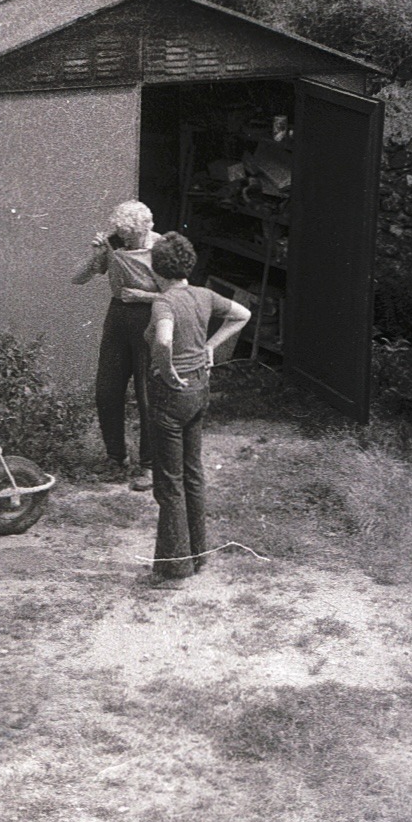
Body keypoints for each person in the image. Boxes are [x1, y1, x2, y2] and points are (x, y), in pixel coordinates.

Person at [143, 233, 250, 588]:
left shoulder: (164, 302)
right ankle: (198, 554)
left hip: (170, 396)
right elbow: (242, 315)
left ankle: (176, 566)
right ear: (188, 265)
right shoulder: (204, 295)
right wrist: (210, 348)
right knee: (192, 473)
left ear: (157, 269)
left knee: (169, 482)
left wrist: (167, 367)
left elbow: (162, 339)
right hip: (200, 390)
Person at [72, 200, 163, 491]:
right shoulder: (115, 246)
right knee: (107, 389)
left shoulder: (161, 249)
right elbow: (77, 279)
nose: (125, 240)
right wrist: (96, 256)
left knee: (147, 393)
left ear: (147, 227)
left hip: (150, 318)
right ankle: (115, 457)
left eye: (130, 235)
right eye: (121, 235)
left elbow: (180, 293)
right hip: (118, 316)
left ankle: (149, 465)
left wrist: (143, 296)